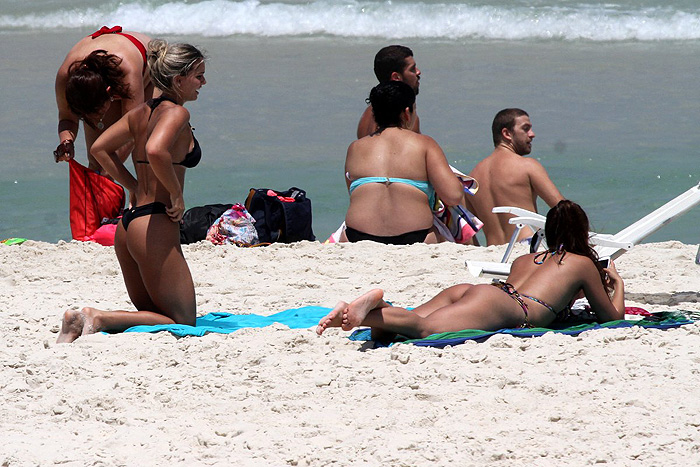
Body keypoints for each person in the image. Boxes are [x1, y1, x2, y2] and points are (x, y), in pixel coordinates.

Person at [57, 40, 207, 343]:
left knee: (154, 312)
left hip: (128, 225)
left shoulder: (139, 113)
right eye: (199, 76)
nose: (203, 83)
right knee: (185, 321)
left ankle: (88, 320)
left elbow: (100, 148)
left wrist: (134, 186)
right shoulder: (177, 114)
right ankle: (95, 316)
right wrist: (176, 195)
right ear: (178, 80)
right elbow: (156, 150)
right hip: (154, 224)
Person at [317, 200, 625, 340]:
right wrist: (617, 285)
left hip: (486, 293)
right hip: (508, 307)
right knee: (426, 330)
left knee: (410, 324)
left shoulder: (524, 260)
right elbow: (612, 319)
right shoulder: (582, 263)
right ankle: (362, 310)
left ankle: (374, 308)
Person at [343, 81, 465, 245]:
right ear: (407, 113)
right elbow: (453, 196)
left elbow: (354, 194)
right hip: (415, 237)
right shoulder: (425, 144)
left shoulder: (355, 148)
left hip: (356, 237)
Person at [54, 26, 155, 173]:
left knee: (143, 155)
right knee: (96, 163)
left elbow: (132, 131)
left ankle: (143, 194)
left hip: (150, 68)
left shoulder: (127, 70)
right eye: (85, 115)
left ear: (109, 93)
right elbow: (67, 118)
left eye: (97, 112)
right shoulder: (66, 77)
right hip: (103, 76)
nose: (95, 120)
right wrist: (66, 142)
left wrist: (107, 170)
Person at [466, 108, 564, 245]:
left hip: (494, 253)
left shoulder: (472, 178)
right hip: (526, 245)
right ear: (506, 133)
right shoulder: (527, 166)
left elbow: (467, 231)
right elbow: (564, 210)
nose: (532, 134)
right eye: (526, 129)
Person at [357, 45, 421, 139]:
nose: (418, 72)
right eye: (412, 69)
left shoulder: (369, 114)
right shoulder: (404, 117)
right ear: (396, 77)